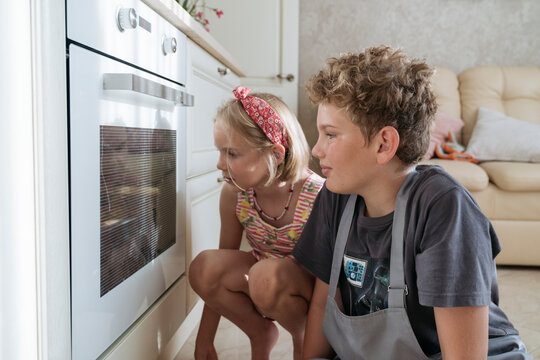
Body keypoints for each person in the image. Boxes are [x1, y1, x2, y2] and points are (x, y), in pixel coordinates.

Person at [292, 46, 531, 359]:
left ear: (384, 144)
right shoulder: (335, 196)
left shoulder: (443, 207)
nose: (316, 149)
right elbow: (325, 302)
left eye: (331, 135)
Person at [189, 86, 325, 360]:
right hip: (262, 278)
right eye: (219, 152)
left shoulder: (318, 197)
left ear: (275, 154)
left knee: (264, 275)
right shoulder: (235, 193)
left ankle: (301, 337)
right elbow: (223, 259)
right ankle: (259, 333)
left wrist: (313, 341)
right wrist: (204, 340)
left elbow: (329, 280)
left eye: (231, 154)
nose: (219, 164)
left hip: (306, 290)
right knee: (204, 267)